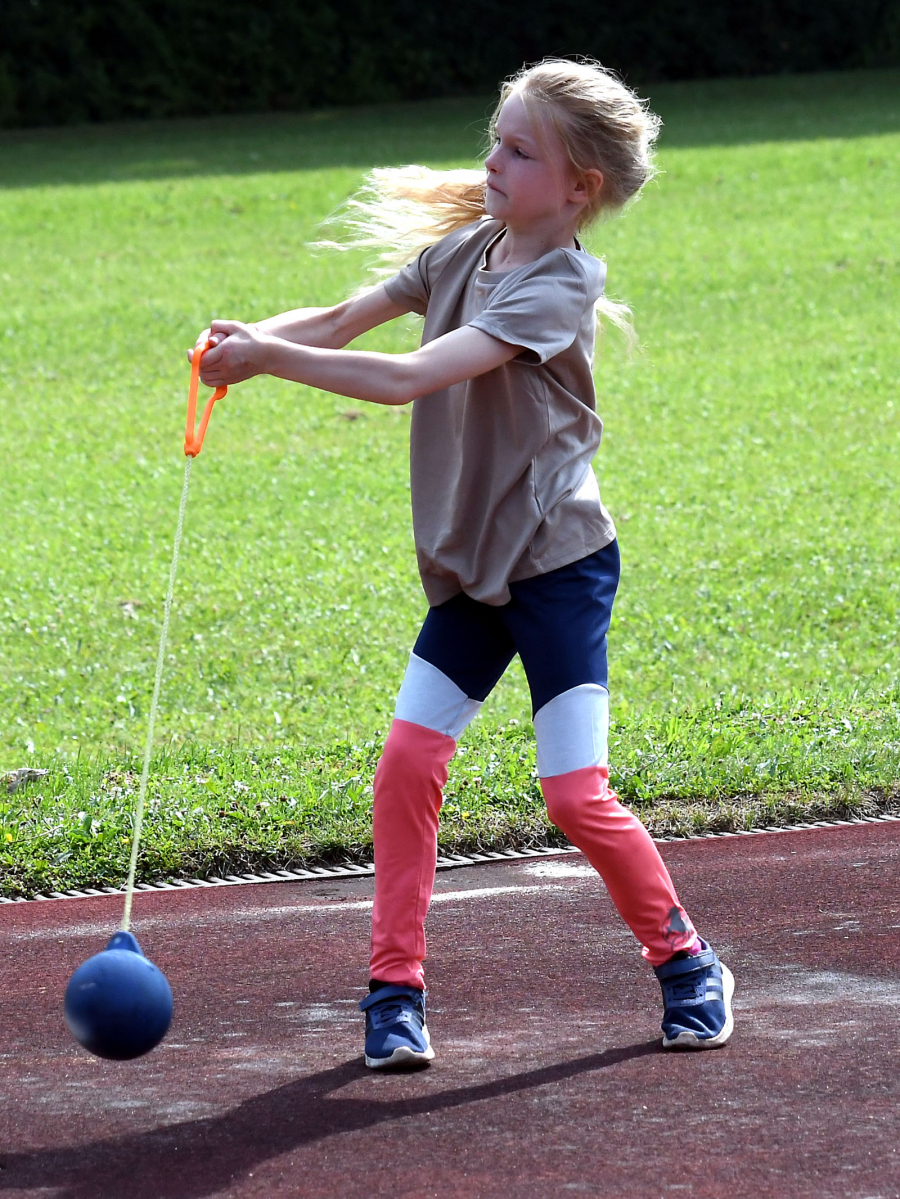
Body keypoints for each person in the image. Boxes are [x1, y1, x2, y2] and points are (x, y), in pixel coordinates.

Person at [191, 57, 735, 1069]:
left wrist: (271, 360)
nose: (491, 161)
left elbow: (408, 377)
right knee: (407, 767)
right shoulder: (459, 252)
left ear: (577, 187)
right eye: (496, 139)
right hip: (472, 573)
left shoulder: (559, 287)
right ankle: (393, 990)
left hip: (558, 569)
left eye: (518, 151)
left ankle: (686, 960)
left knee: (573, 795)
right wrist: (249, 340)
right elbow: (340, 322)